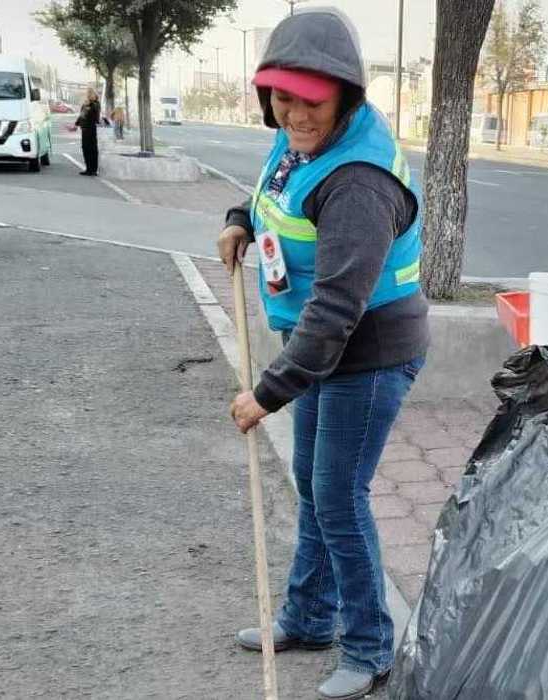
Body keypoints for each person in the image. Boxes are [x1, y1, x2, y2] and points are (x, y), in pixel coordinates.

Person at [218, 7, 427, 700]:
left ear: (344, 94)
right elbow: (273, 192)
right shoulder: (297, 140)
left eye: (310, 100)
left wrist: (267, 392)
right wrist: (239, 220)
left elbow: (338, 310)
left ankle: (369, 648)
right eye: (281, 98)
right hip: (322, 348)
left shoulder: (361, 182)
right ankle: (307, 619)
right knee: (315, 484)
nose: (294, 114)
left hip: (367, 355)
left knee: (338, 496)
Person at [75, 87, 100, 176]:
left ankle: (93, 169)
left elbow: (96, 117)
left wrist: (89, 106)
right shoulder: (85, 105)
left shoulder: (95, 104)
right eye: (88, 93)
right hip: (84, 129)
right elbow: (81, 116)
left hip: (91, 129)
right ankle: (88, 168)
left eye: (90, 93)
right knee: (85, 148)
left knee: (92, 149)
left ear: (94, 94)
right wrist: (76, 124)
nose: (88, 95)